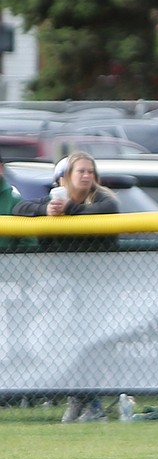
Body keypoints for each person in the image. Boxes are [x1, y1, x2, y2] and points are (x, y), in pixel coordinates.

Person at [15, 152, 121, 422]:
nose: (86, 175)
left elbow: (105, 212)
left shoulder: (102, 200)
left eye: (90, 171)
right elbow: (19, 210)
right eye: (80, 171)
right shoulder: (53, 199)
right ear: (63, 178)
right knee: (66, 347)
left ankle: (89, 403)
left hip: (97, 290)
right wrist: (46, 210)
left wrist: (67, 211)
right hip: (61, 292)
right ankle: (78, 400)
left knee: (93, 347)